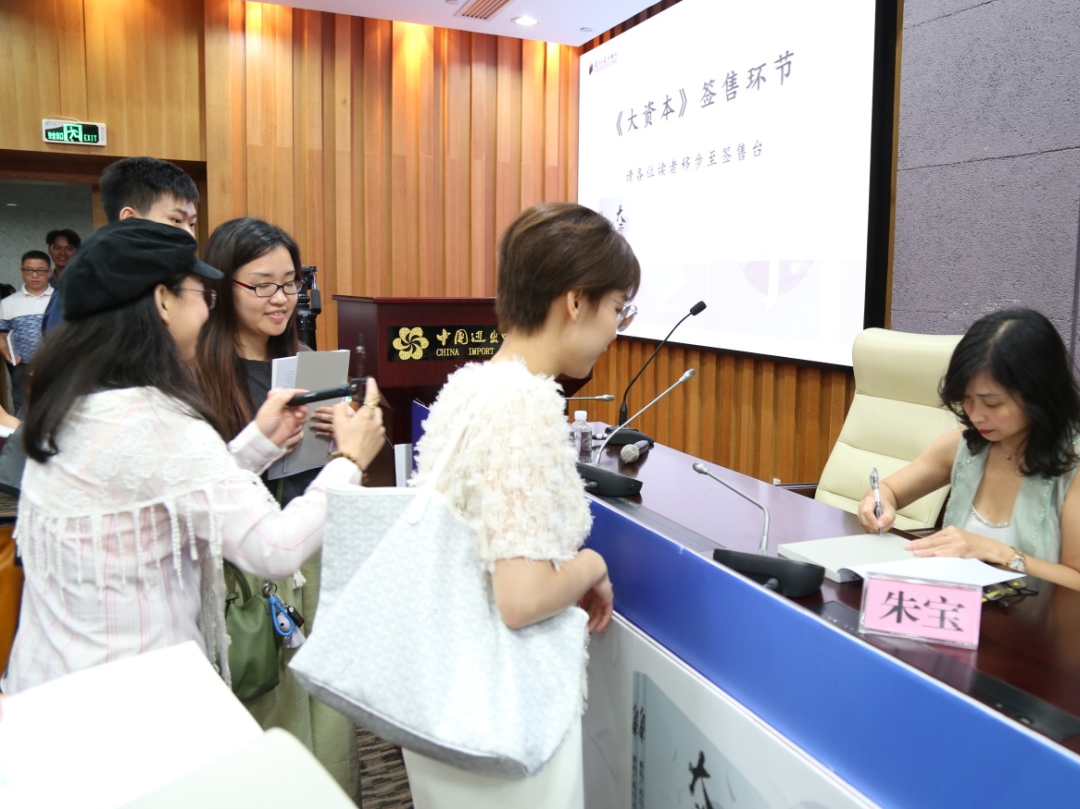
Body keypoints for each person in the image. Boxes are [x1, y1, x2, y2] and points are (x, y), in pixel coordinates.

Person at [1, 218, 385, 695]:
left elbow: (170, 489)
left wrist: (260, 442)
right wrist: (350, 458)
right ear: (163, 301)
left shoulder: (72, 405)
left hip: (45, 686)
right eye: (201, 292)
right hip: (127, 696)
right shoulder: (161, 421)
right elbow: (275, 548)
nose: (208, 308)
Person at [400, 202, 638, 807]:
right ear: (576, 301)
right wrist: (592, 566)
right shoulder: (524, 405)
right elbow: (522, 598)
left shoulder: (471, 385)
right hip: (503, 716)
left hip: (449, 693)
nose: (617, 330)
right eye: (617, 308)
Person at [194, 217, 359, 799]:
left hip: (313, 547)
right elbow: (205, 483)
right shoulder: (197, 372)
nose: (281, 299)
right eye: (261, 285)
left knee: (328, 701)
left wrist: (343, 431)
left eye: (290, 283)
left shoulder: (304, 360)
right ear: (222, 287)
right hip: (250, 563)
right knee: (269, 698)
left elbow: (334, 464)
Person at [859, 308, 1080, 599]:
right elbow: (889, 490)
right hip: (967, 608)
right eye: (966, 399)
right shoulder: (967, 443)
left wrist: (1000, 553)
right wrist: (877, 503)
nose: (976, 415)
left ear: (1038, 394)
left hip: (1047, 620)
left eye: (992, 404)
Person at [43, 156, 199, 334]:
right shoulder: (81, 294)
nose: (190, 236)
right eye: (177, 220)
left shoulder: (175, 285)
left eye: (192, 224)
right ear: (130, 221)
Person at [0, 251, 54, 415]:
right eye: (29, 270)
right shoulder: (8, 303)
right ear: (22, 271)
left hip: (55, 364)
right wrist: (6, 352)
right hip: (22, 366)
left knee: (56, 407)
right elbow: (1, 335)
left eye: (40, 271)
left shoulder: (61, 299)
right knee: (23, 409)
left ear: (49, 272)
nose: (35, 275)